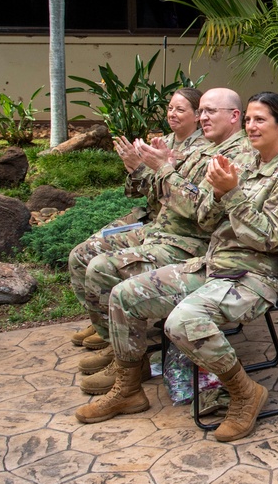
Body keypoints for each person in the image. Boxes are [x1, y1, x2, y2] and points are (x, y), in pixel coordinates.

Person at [75, 92, 278, 443]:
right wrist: (215, 194)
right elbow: (203, 219)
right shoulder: (242, 163)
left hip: (255, 275)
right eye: (248, 119)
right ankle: (128, 390)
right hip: (212, 263)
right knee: (123, 295)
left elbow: (267, 240)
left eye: (260, 119)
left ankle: (245, 393)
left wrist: (231, 194)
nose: (251, 126)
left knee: (183, 322)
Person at [68, 89, 251, 381]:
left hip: (191, 245)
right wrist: (143, 170)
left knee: (102, 269)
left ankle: (128, 360)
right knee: (83, 255)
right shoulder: (206, 149)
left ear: (234, 116)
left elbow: (200, 213)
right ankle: (118, 345)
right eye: (201, 111)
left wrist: (163, 169)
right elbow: (159, 196)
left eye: (208, 111)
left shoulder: (235, 155)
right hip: (162, 230)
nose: (202, 117)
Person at [68, 88, 205, 353]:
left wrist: (143, 168)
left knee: (100, 263)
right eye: (169, 108)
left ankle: (114, 337)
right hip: (152, 220)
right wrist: (133, 168)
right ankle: (101, 318)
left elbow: (178, 199)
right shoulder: (163, 142)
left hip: (172, 229)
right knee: (82, 252)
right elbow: (139, 193)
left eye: (180, 109)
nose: (172, 114)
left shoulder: (200, 150)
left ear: (197, 116)